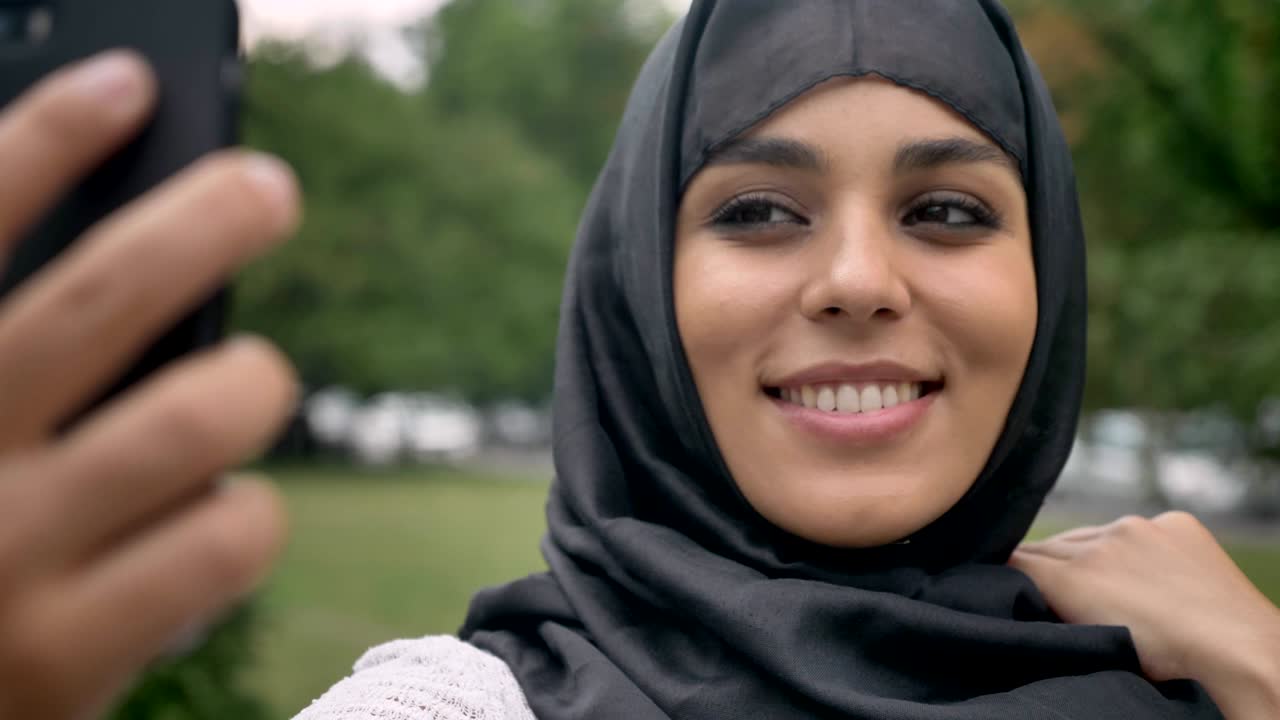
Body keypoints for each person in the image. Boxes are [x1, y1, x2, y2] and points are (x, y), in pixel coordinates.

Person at [0, 3, 1276, 720]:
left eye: (945, 211)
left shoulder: (1197, 686)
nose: (854, 282)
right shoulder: (471, 713)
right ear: (637, 292)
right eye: (756, 212)